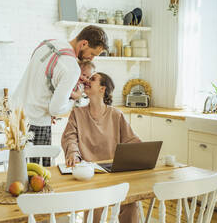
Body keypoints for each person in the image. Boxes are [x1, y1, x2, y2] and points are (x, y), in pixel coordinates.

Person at [12, 26, 108, 166]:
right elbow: (55, 110)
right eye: (92, 54)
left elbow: (40, 82)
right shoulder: (71, 67)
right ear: (84, 44)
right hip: (37, 123)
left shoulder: (47, 44)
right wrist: (74, 99)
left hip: (16, 118)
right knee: (39, 176)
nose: (91, 58)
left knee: (18, 172)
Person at [61, 72, 141, 223]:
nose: (87, 81)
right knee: (95, 204)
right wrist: (73, 153)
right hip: (88, 174)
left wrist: (143, 153)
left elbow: (132, 140)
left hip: (114, 172)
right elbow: (70, 137)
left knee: (130, 201)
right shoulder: (77, 113)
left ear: (102, 89)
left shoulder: (116, 115)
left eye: (92, 79)